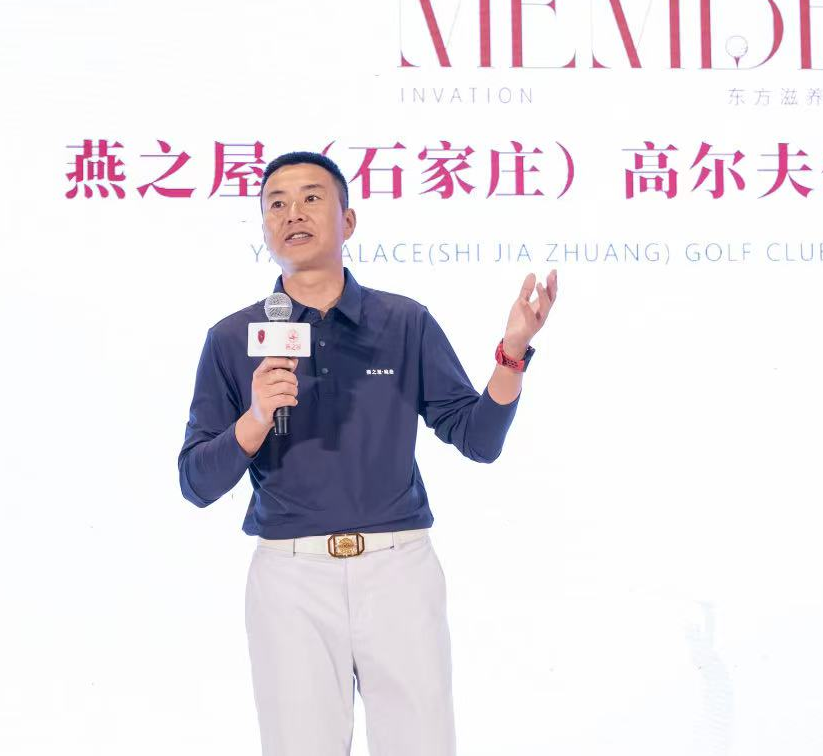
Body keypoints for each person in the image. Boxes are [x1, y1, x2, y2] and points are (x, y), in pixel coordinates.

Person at [177, 150, 558, 756]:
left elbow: (477, 438)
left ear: (348, 221)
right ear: (264, 228)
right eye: (276, 204)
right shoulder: (232, 338)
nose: (292, 214)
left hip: (398, 570)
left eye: (311, 198)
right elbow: (196, 482)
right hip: (290, 578)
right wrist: (254, 419)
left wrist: (512, 354)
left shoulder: (403, 322)